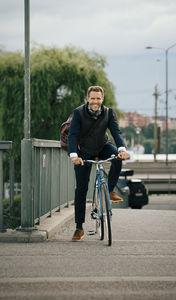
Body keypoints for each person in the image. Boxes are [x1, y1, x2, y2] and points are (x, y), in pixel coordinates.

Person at [68, 86, 130, 241]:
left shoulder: (108, 112)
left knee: (117, 157)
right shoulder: (78, 113)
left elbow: (116, 132)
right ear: (87, 99)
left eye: (98, 98)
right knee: (81, 188)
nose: (95, 101)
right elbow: (73, 135)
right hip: (85, 151)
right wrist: (74, 155)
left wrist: (122, 149)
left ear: (102, 99)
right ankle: (79, 227)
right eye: (93, 98)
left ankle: (109, 191)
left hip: (103, 146)